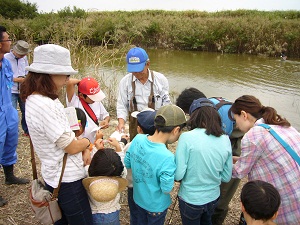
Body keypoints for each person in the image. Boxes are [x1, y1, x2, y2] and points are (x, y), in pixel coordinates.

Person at [20, 44, 93, 224]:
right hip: (68, 179)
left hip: (53, 173)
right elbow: (70, 146)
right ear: (49, 74)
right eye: (65, 74)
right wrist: (86, 143)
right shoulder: (47, 105)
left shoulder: (32, 99)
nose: (68, 78)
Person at [176, 87, 243, 225]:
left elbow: (178, 175)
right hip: (213, 198)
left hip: (190, 199)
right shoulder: (225, 139)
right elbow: (225, 176)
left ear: (193, 115)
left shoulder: (186, 138)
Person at [230, 95, 300, 225]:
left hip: (286, 201)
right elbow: (269, 158)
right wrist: (235, 159)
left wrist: (216, 161)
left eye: (236, 119)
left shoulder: (253, 135)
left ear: (244, 115)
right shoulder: (281, 125)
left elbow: (238, 172)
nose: (237, 126)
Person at [124, 104, 187, 225]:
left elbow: (127, 163)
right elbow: (166, 188)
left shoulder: (138, 139)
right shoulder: (167, 157)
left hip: (138, 198)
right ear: (176, 130)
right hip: (156, 207)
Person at [0, 26, 29, 207]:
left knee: (11, 141)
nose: (10, 42)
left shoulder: (4, 63)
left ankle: (9, 176)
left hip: (8, 109)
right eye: (8, 39)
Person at [116, 46, 171, 140]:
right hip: (135, 124)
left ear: (148, 64)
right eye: (133, 70)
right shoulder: (125, 82)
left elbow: (167, 104)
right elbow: (121, 104)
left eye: (139, 70)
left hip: (157, 124)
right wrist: (121, 123)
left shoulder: (160, 80)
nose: (136, 73)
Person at [83, 146, 128, 225]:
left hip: (93, 213)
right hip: (113, 213)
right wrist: (119, 148)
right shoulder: (120, 175)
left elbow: (87, 163)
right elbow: (123, 166)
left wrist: (95, 148)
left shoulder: (87, 173)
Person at [126, 109, 156, 225]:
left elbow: (125, 163)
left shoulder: (132, 145)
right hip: (152, 188)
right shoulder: (161, 147)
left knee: (136, 214)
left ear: (139, 129)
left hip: (134, 187)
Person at [66, 77, 110, 143]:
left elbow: (106, 115)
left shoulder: (96, 101)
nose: (94, 99)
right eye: (92, 97)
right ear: (81, 95)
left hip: (94, 140)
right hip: (80, 143)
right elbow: (70, 82)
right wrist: (83, 83)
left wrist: (106, 120)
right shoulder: (74, 101)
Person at [4, 40, 30, 136]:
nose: (22, 56)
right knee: (12, 111)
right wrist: (17, 80)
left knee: (25, 110)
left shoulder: (24, 58)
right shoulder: (6, 58)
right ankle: (13, 132)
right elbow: (4, 76)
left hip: (23, 89)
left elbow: (27, 71)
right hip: (11, 88)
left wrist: (25, 79)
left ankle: (27, 131)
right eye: (21, 54)